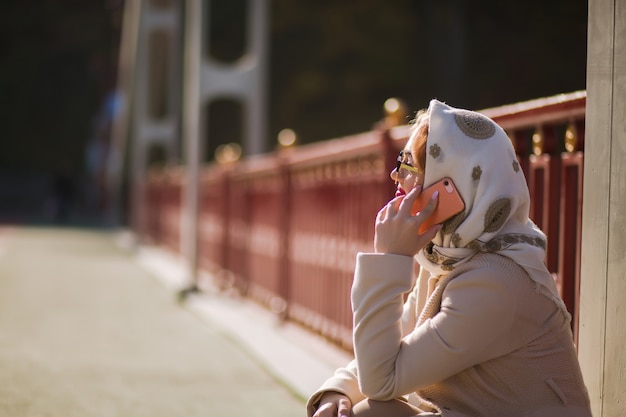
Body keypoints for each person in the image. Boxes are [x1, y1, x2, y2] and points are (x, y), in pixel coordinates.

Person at [306, 100, 592, 417]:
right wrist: (338, 390)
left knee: (373, 413)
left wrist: (391, 257)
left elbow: (382, 380)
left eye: (409, 166)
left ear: (451, 184)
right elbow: (398, 342)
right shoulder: (450, 257)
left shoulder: (497, 281)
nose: (395, 176)